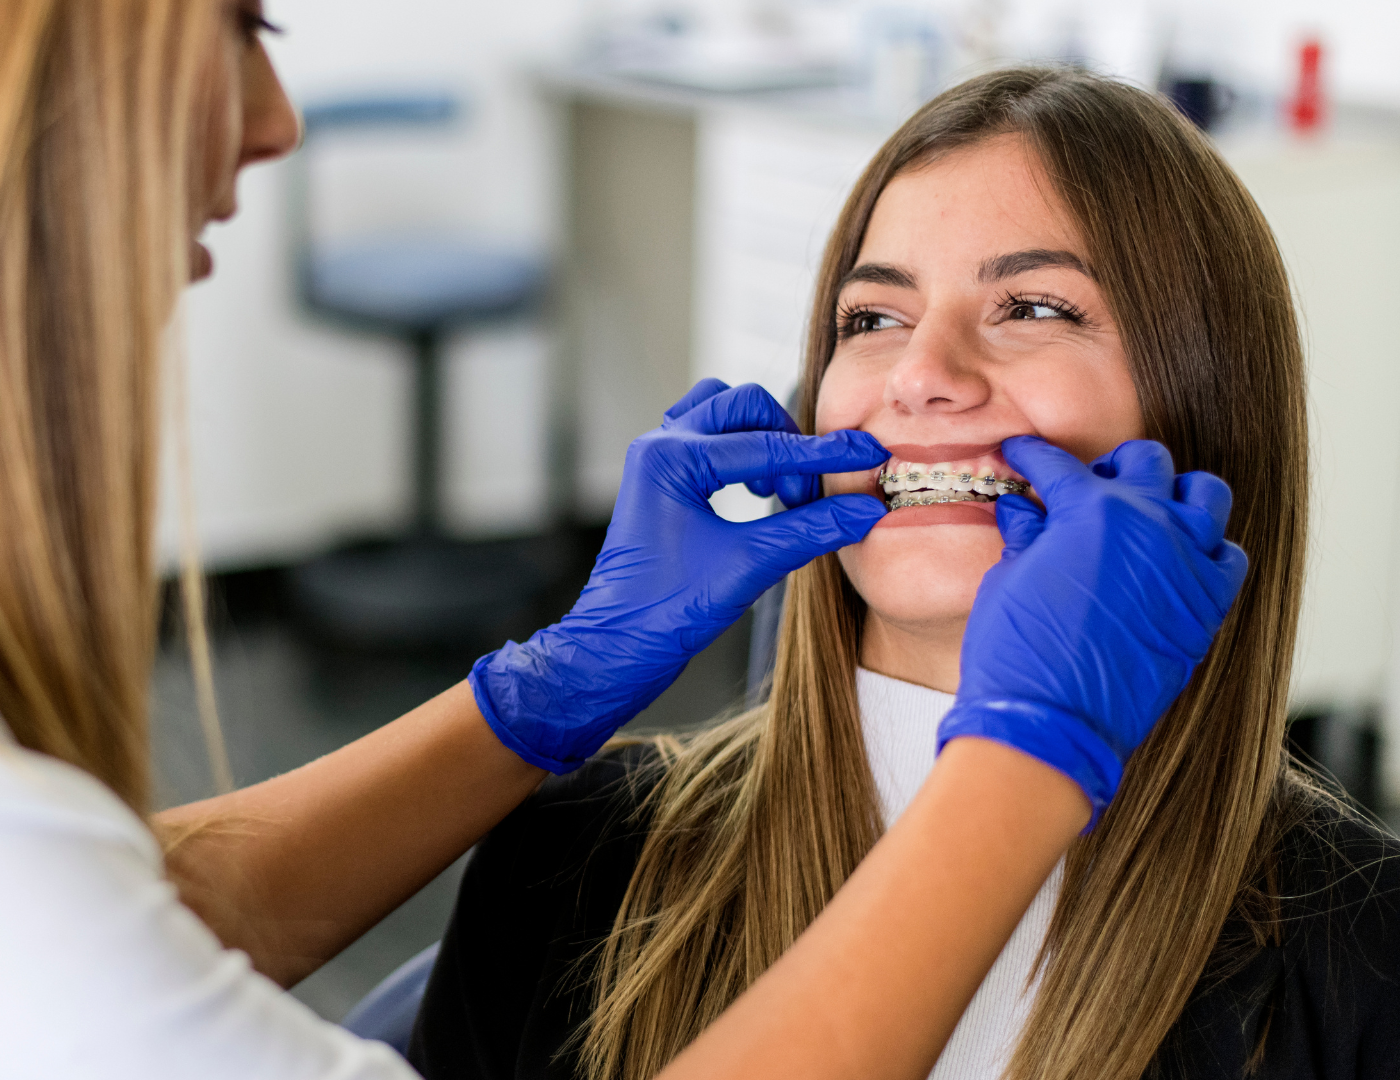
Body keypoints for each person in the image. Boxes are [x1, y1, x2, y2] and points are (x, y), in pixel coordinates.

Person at [0, 7, 1244, 1080]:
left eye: (1028, 308)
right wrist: (1024, 765)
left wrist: (532, 697)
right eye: (236, 14)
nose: (271, 117)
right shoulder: (585, 875)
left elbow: (112, 914)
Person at [409, 65, 1400, 1080]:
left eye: (1035, 307)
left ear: (1210, 406)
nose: (922, 375)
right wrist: (549, 680)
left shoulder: (1368, 961)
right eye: (872, 320)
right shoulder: (573, 861)